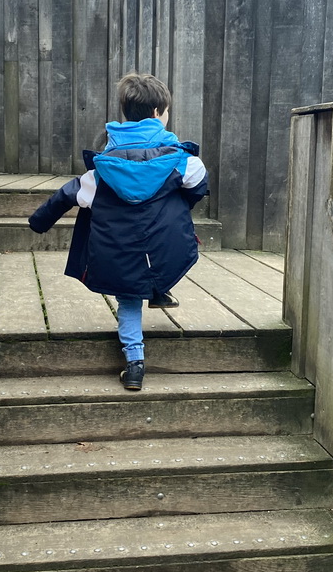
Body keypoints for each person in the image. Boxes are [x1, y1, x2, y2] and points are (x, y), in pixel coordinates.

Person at [28, 73, 208, 391]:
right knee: (164, 248)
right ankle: (157, 287)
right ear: (158, 113)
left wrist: (38, 222)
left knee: (128, 301)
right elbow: (197, 188)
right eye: (166, 111)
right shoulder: (184, 163)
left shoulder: (100, 172)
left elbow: (66, 195)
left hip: (119, 254)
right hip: (165, 250)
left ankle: (135, 365)